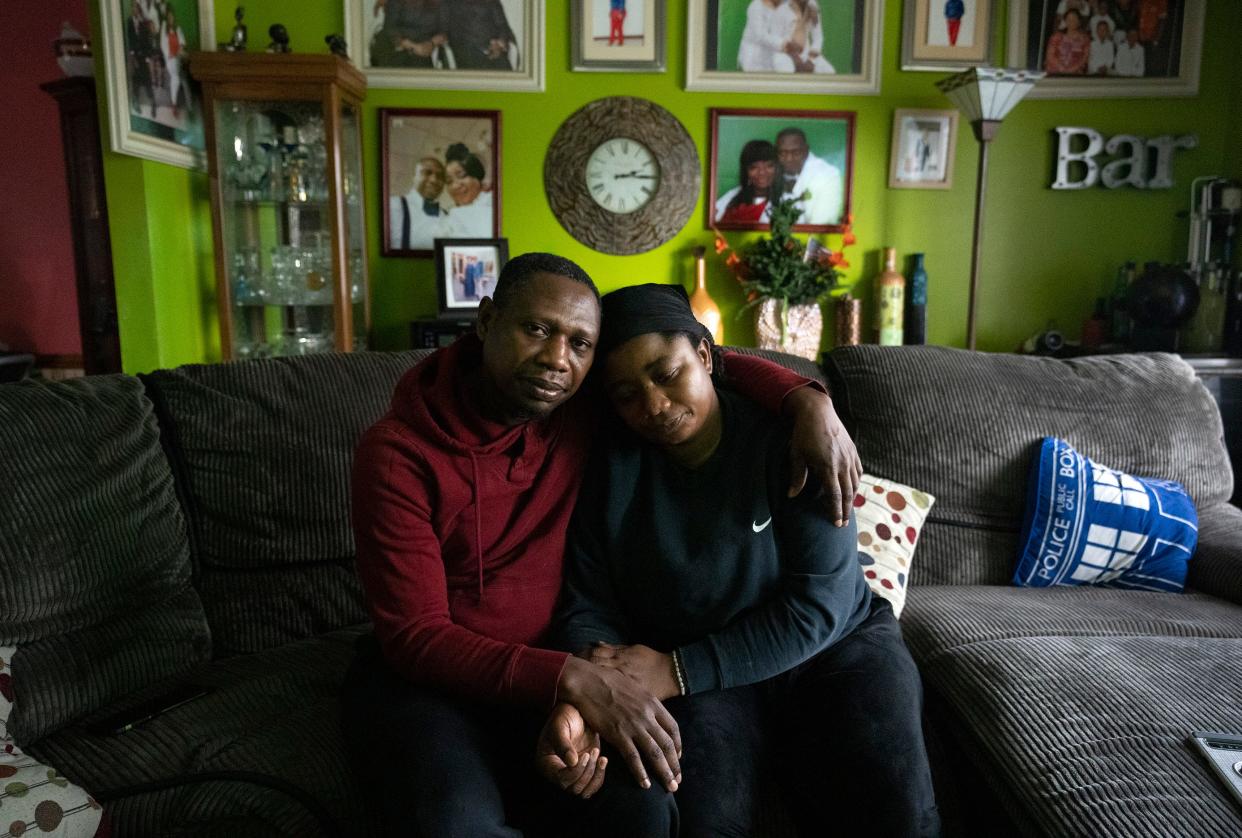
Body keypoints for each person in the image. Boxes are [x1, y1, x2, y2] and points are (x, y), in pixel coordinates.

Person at [343, 252, 863, 835]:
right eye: (536, 329)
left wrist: (807, 399)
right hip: (436, 687)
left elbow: (688, 364)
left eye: (579, 343)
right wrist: (573, 680)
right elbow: (416, 637)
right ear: (486, 319)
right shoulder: (396, 455)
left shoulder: (581, 404)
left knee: (643, 810)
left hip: (563, 669)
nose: (556, 358)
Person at [556, 283, 940, 836]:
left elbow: (820, 606)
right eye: (626, 394)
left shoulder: (792, 442)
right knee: (704, 817)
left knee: (897, 809)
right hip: (706, 675)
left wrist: (674, 671)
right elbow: (588, 602)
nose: (654, 407)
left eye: (667, 375)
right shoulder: (607, 467)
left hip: (836, 652)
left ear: (706, 357)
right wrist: (593, 679)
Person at [777, 127, 844, 226]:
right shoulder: (769, 170)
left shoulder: (829, 175)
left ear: (806, 150)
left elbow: (822, 227)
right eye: (783, 153)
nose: (789, 159)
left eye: (796, 152)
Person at [715, 140, 783, 225]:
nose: (762, 172)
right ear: (746, 171)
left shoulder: (788, 199)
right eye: (754, 167)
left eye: (769, 166)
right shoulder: (732, 195)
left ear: (777, 168)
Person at [389, 156, 448, 251]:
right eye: (427, 173)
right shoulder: (393, 205)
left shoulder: (447, 217)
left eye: (440, 176)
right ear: (414, 177)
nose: (434, 180)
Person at [370, 0, 450, 68]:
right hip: (395, 45)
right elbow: (389, 28)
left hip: (422, 49)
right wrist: (413, 47)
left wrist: (432, 43)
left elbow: (445, 30)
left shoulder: (441, 3)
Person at [442, 0, 517, 70]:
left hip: (493, 49)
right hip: (466, 50)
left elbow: (503, 26)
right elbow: (444, 29)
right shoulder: (449, 2)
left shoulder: (492, 1)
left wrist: (500, 43)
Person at [442, 143, 494, 237]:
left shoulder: (494, 203)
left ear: (477, 176)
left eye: (461, 175)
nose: (455, 186)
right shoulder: (450, 218)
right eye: (449, 181)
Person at [773, 0, 834, 73]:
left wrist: (811, 60)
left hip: (806, 54)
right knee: (786, 69)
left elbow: (818, 37)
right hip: (784, 54)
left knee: (829, 71)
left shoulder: (812, 6)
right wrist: (793, 56)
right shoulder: (781, 6)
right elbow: (775, 38)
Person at [737, 0, 797, 72]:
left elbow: (790, 27)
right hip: (753, 57)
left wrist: (788, 41)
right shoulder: (756, 6)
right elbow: (759, 35)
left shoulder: (786, 6)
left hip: (774, 56)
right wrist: (782, 43)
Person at [125, 0, 156, 118]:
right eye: (133, 7)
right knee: (136, 80)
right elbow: (130, 38)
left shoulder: (143, 23)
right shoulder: (129, 22)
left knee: (147, 79)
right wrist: (133, 56)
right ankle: (135, 101)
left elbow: (147, 39)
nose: (135, 10)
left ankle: (153, 102)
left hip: (144, 55)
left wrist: (148, 56)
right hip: (135, 55)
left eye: (137, 8)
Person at [159, 7, 188, 120]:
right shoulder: (164, 29)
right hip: (170, 58)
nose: (171, 19)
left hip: (178, 57)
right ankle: (174, 103)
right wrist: (169, 54)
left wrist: (180, 50)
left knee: (178, 77)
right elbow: (162, 44)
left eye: (172, 17)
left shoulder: (178, 29)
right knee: (175, 77)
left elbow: (182, 43)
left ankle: (177, 101)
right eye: (169, 17)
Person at [1045, 9, 1090, 74]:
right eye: (1069, 19)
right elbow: (1050, 56)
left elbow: (1085, 58)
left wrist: (1071, 70)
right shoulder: (1056, 37)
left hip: (1075, 73)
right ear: (1065, 21)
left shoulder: (1085, 39)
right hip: (1056, 73)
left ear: (1079, 21)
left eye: (1074, 19)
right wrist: (1063, 69)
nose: (1071, 21)